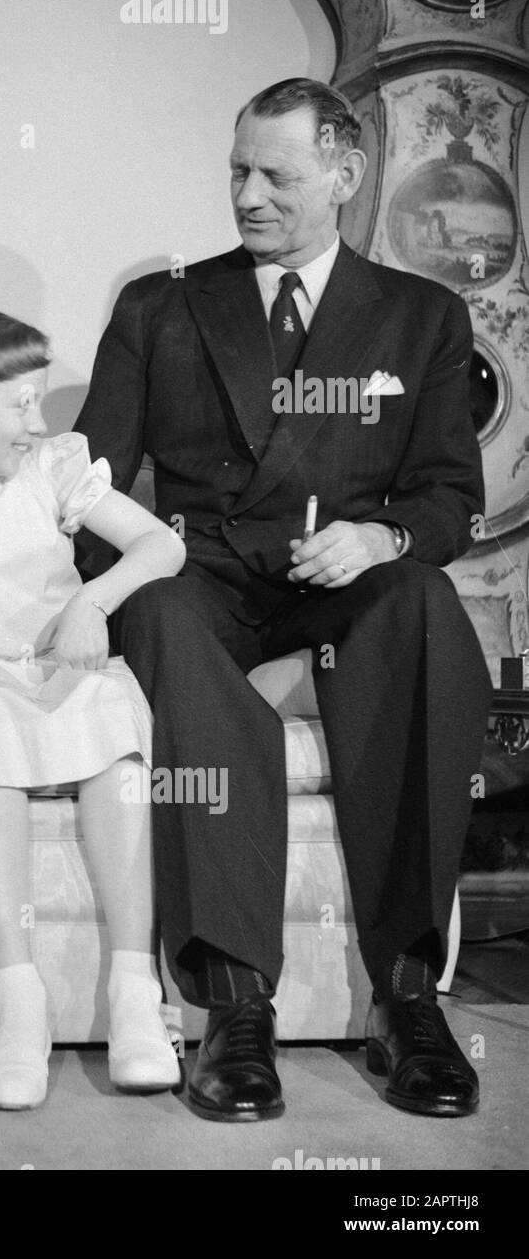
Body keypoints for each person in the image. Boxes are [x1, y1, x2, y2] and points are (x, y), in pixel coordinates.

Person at [74, 77, 490, 1122]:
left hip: (336, 579)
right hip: (200, 575)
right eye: (235, 171)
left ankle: (406, 997)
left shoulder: (422, 316)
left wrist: (380, 536)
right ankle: (233, 1004)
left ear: (344, 177)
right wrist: (103, 586)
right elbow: (87, 490)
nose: (247, 195)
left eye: (276, 174)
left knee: (425, 603)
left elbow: (448, 495)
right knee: (159, 612)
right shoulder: (160, 306)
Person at [0, 306, 187, 1109]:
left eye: (37, 402)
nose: (36, 420)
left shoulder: (52, 466)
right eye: (18, 404)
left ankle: (134, 991)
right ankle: (18, 1002)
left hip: (58, 668)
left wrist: (95, 601)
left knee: (111, 721)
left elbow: (164, 545)